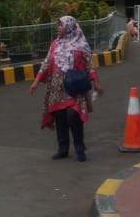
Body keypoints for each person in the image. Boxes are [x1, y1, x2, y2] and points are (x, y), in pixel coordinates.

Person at [29, 16, 105, 161]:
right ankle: (62, 149)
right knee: (60, 118)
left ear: (70, 27)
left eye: (61, 25)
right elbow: (46, 63)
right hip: (56, 89)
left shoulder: (81, 45)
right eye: (58, 25)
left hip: (74, 88)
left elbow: (90, 65)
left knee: (73, 116)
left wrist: (96, 82)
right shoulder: (55, 44)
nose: (58, 28)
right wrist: (36, 81)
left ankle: (79, 149)